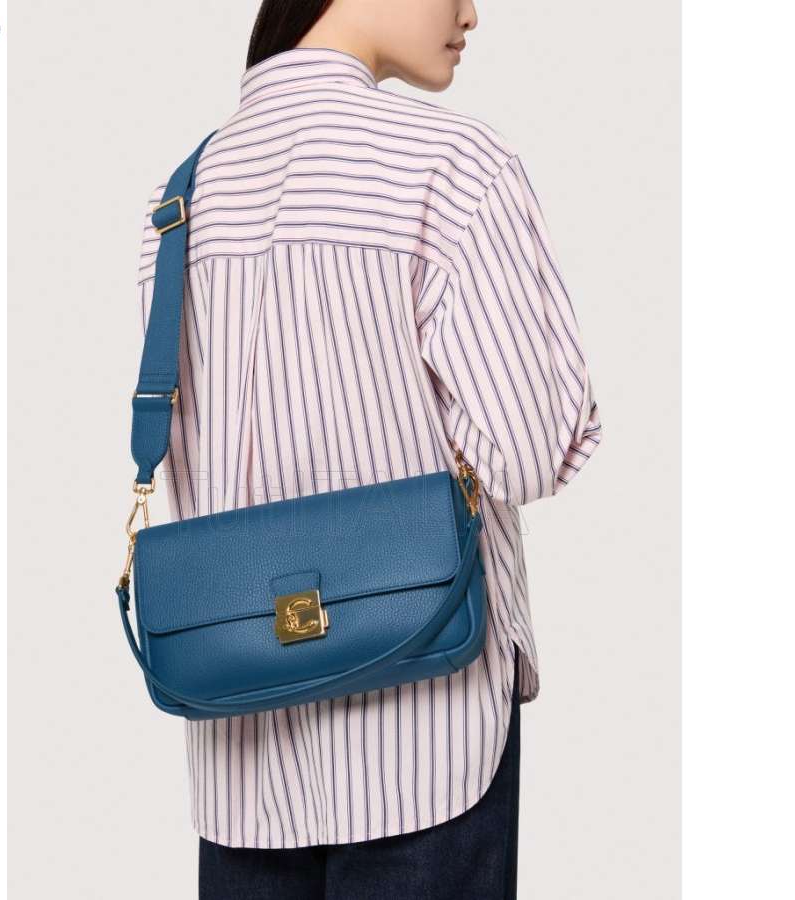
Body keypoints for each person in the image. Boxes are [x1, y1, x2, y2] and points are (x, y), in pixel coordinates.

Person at [134, 1, 602, 897]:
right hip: (427, 737)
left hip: (242, 754)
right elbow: (529, 450)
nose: (471, 12)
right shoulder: (453, 166)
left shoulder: (180, 200)